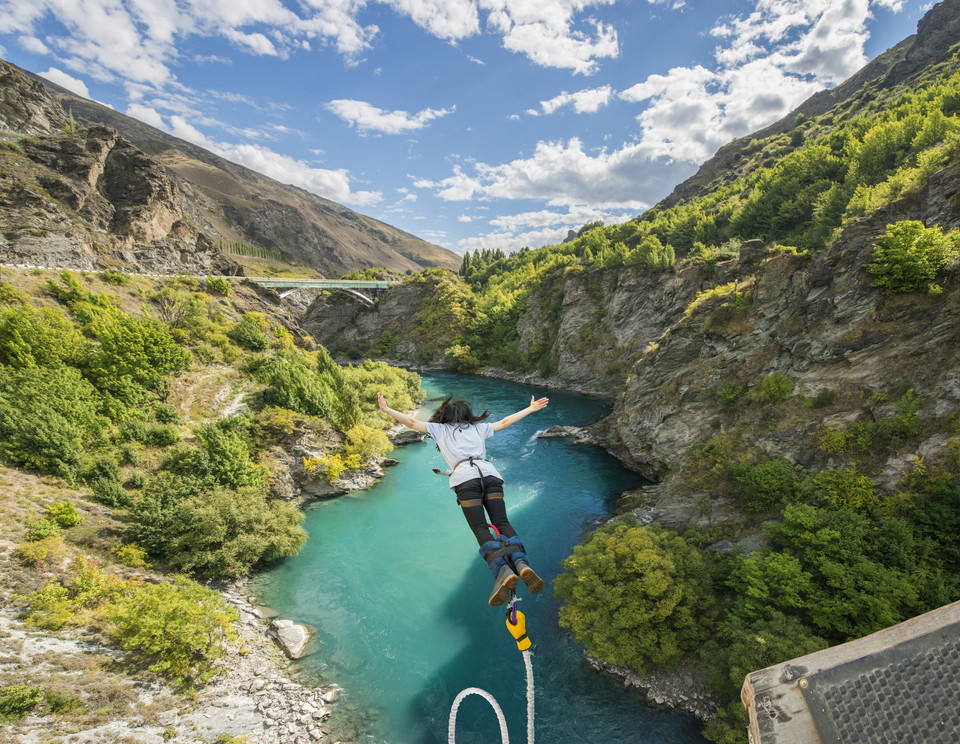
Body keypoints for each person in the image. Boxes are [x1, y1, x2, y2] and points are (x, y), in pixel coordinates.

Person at [377, 392, 549, 606]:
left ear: (445, 416)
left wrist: (387, 409)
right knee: (502, 522)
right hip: (490, 475)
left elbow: (412, 422)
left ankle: (502, 570)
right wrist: (530, 409)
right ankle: (522, 564)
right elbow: (505, 422)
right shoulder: (478, 428)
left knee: (480, 527)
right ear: (468, 414)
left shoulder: (439, 429)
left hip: (466, 479)